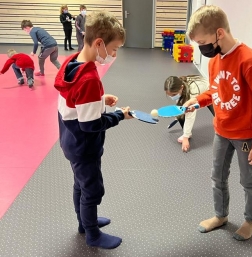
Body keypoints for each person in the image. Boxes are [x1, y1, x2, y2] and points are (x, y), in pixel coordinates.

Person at [184, 5, 252, 241]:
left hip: (245, 135)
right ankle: (220, 215)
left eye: (203, 41)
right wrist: (199, 100)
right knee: (217, 177)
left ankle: (250, 220)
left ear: (219, 33)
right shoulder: (214, 61)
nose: (201, 48)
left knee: (248, 180)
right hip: (221, 130)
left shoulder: (250, 61)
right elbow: (216, 90)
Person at [54, 10, 132, 249]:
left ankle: (83, 221)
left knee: (80, 184)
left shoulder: (73, 61)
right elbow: (91, 125)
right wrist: (119, 115)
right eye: (115, 49)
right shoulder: (89, 79)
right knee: (92, 190)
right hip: (84, 145)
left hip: (70, 140)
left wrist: (100, 100)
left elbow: (77, 101)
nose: (114, 55)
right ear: (99, 43)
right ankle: (92, 233)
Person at [164, 75, 214, 152]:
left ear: (181, 88)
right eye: (170, 95)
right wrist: (178, 115)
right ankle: (187, 132)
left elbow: (190, 116)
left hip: (211, 93)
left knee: (219, 117)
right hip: (199, 93)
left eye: (174, 95)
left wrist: (185, 138)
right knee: (182, 111)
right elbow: (180, 103)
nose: (172, 97)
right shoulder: (180, 86)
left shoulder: (192, 92)